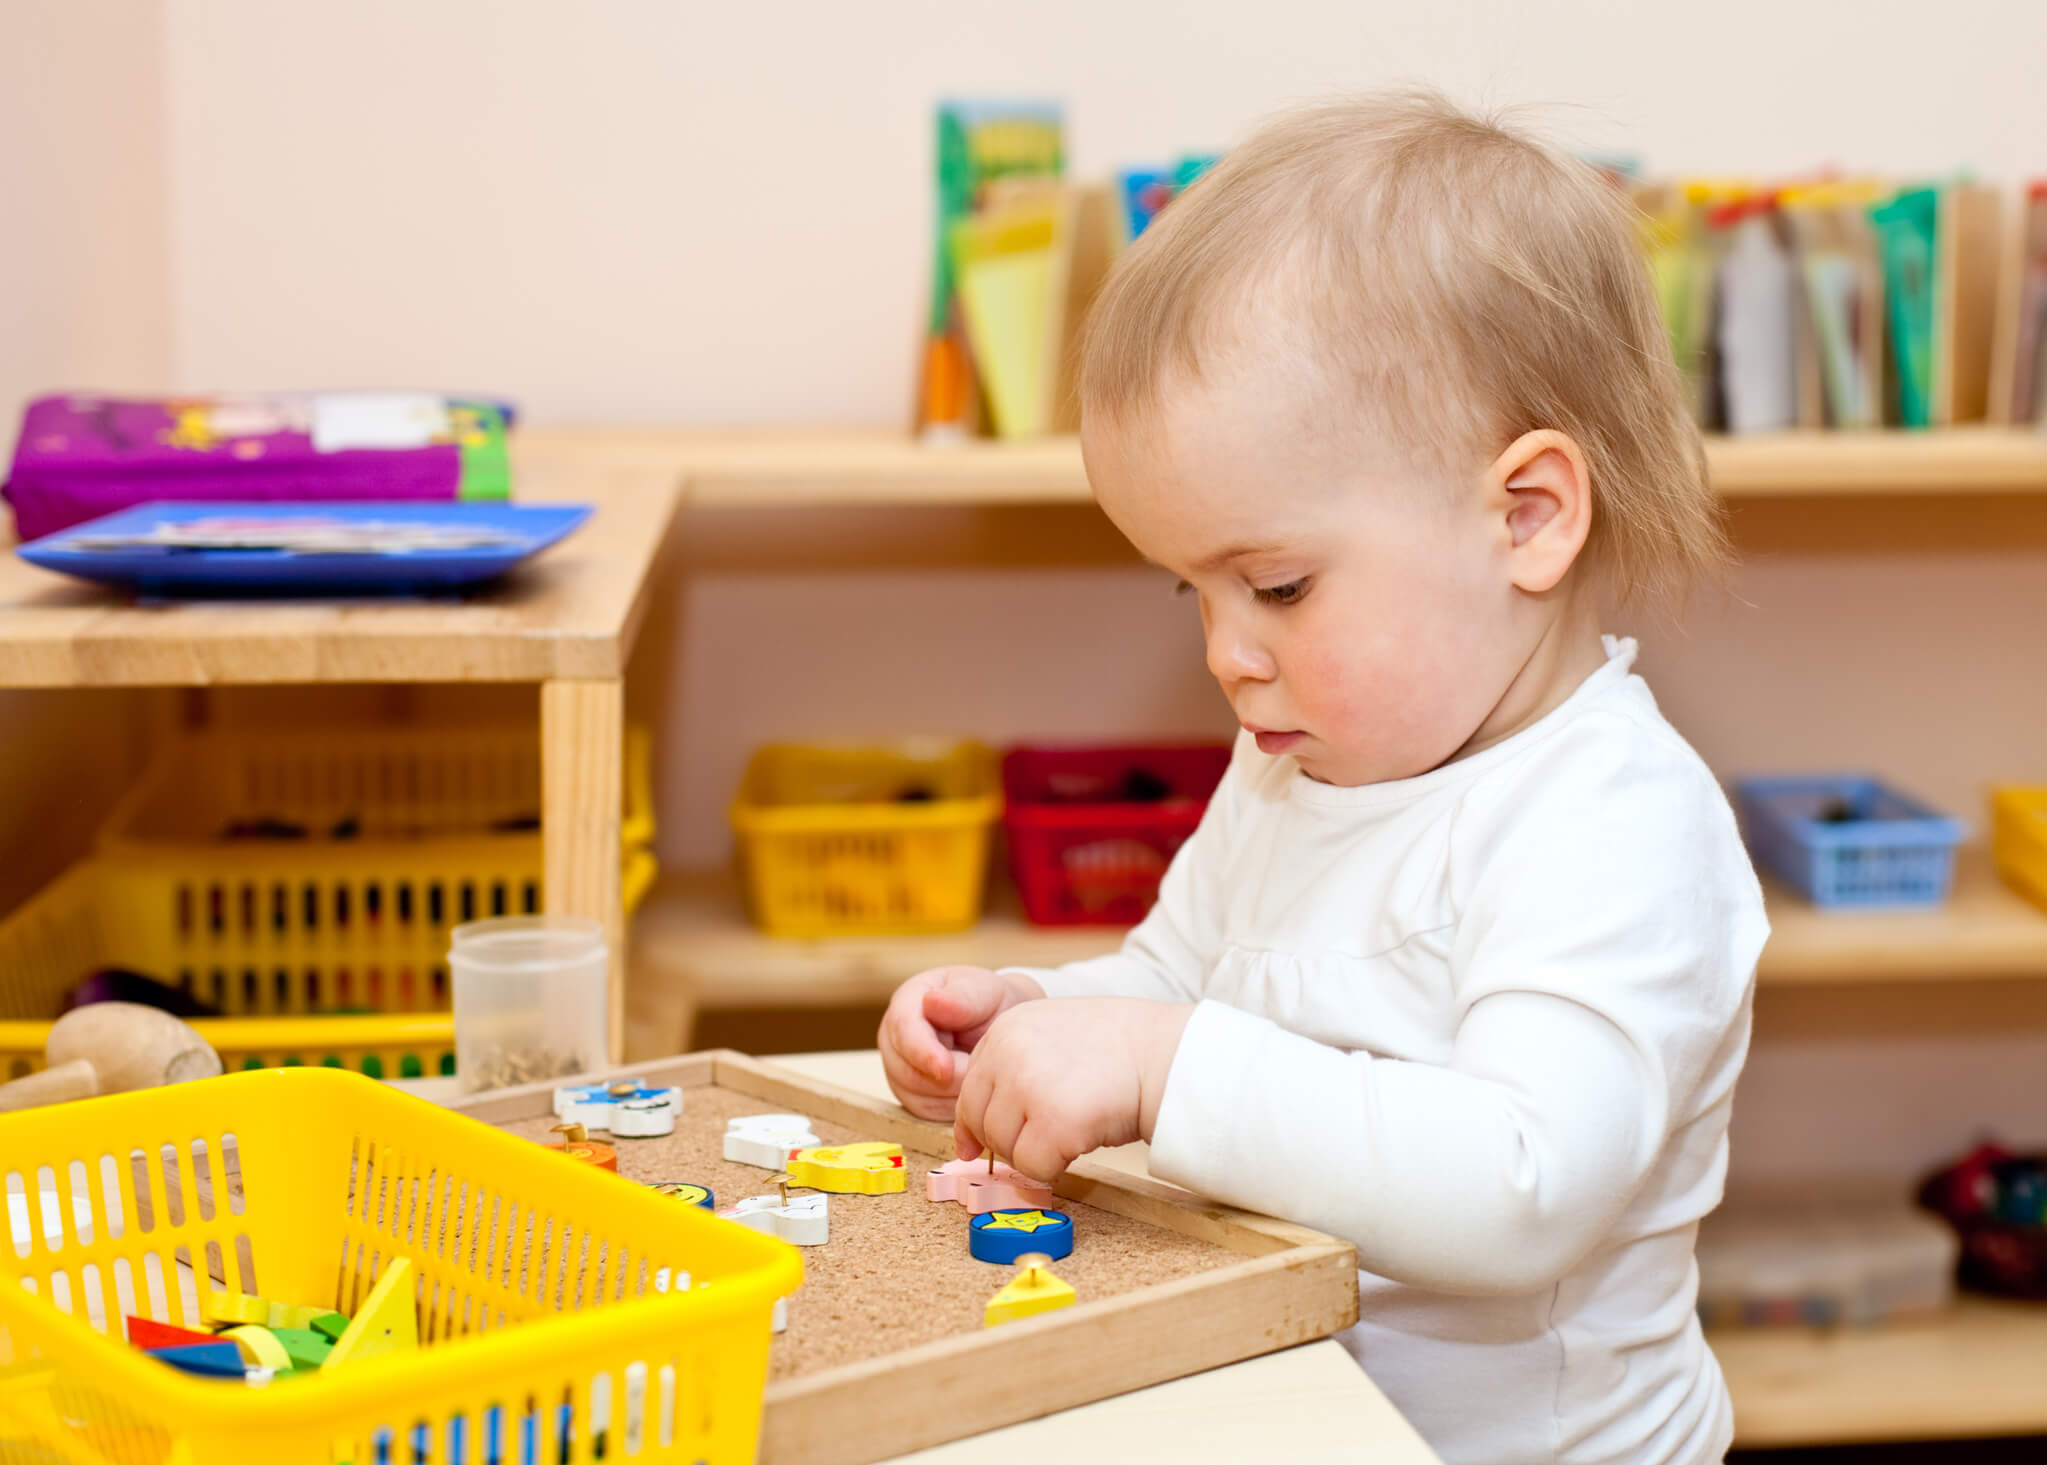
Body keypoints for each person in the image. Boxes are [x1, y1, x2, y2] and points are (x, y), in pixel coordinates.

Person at [880, 91, 1766, 1465]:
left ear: (1526, 516)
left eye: (1279, 584)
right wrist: (1037, 1017)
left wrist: (1158, 1066)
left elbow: (1519, 1183)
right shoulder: (1301, 758)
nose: (1229, 655)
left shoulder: (1614, 823)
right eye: (1194, 589)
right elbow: (1180, 978)